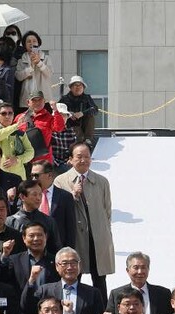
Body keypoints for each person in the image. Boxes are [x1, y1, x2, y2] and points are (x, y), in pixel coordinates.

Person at [52, 143, 113, 293]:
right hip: (75, 238)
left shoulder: (101, 181)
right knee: (73, 276)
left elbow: (107, 210)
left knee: (100, 279)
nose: (83, 160)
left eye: (87, 157)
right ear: (70, 159)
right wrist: (72, 196)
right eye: (79, 157)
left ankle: (101, 306)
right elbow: (58, 211)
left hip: (97, 237)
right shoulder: (60, 181)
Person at [59, 76, 97, 146]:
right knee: (78, 136)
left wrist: (82, 113)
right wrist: (69, 114)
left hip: (85, 125)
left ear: (83, 88)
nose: (78, 87)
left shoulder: (87, 98)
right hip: (71, 125)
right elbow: (59, 110)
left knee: (91, 117)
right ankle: (80, 142)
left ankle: (88, 139)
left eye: (80, 85)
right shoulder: (65, 99)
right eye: (75, 85)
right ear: (71, 88)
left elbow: (95, 109)